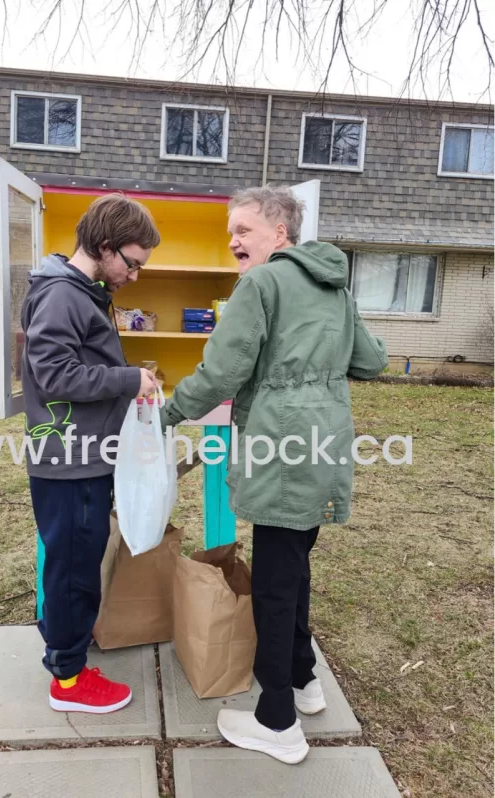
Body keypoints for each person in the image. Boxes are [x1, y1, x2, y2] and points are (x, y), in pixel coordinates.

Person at [159, 185, 388, 764]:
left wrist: (164, 414)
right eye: (230, 231)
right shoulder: (334, 286)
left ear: (279, 233)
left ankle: (277, 720)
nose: (233, 240)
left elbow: (221, 371)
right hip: (326, 441)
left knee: (277, 583)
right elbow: (373, 360)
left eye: (244, 230)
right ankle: (305, 681)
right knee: (295, 564)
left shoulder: (260, 283)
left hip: (282, 446)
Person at [20, 193, 160, 714]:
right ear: (105, 247)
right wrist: (128, 378)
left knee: (73, 561)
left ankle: (65, 649)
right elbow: (54, 375)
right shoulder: (63, 295)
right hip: (71, 458)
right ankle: (69, 682)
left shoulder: (82, 291)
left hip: (85, 453)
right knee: (76, 567)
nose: (135, 275)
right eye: (133, 262)